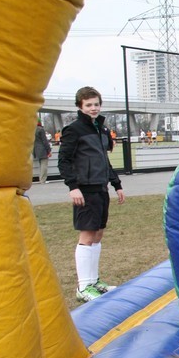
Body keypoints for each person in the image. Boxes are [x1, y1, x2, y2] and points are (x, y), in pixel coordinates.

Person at [57, 86, 125, 303]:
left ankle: (94, 281)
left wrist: (116, 184)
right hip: (84, 189)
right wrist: (73, 186)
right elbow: (64, 160)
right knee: (87, 235)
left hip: (100, 188)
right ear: (80, 106)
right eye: (88, 105)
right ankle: (84, 286)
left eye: (96, 104)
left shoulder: (102, 130)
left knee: (98, 234)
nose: (93, 108)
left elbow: (104, 160)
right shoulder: (74, 130)